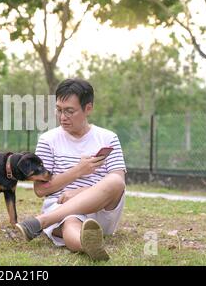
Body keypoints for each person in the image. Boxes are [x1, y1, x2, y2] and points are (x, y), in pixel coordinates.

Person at [15, 78, 127, 261]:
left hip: (101, 209)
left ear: (88, 108)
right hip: (64, 210)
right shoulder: (48, 140)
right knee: (71, 223)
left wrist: (81, 192)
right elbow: (40, 189)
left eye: (69, 111)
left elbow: (118, 182)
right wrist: (78, 171)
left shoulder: (108, 138)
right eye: (59, 110)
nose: (62, 117)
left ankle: (42, 221)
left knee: (115, 181)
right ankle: (88, 245)